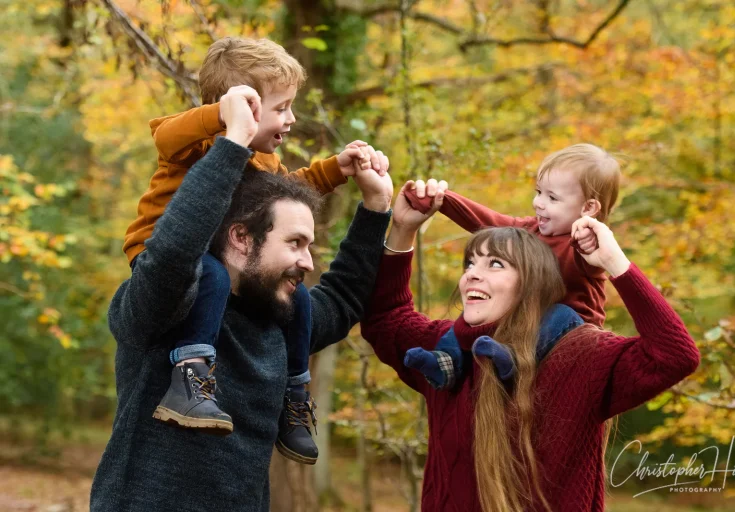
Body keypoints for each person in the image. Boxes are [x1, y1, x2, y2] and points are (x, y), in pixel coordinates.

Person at [90, 88, 393, 511]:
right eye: (295, 243)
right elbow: (173, 255)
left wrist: (377, 207)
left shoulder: (277, 325)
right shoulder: (163, 311)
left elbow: (342, 300)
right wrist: (232, 141)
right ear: (241, 237)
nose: (307, 261)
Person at [361, 179, 700, 512]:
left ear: (533, 285)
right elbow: (385, 320)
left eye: (495, 264)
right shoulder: (446, 356)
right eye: (470, 263)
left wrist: (616, 264)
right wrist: (403, 230)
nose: (472, 275)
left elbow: (675, 356)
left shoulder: (579, 356)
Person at [122, 37, 384, 464]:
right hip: (162, 255)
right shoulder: (197, 141)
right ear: (242, 106)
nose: (291, 118)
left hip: (220, 265)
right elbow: (165, 137)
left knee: (297, 294)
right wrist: (224, 119)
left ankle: (293, 394)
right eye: (281, 108)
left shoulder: (264, 163)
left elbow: (291, 193)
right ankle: (189, 375)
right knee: (213, 276)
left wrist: (337, 171)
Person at [401, 144, 621, 389]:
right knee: (475, 309)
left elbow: (592, 255)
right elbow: (487, 222)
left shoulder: (584, 244)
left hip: (571, 332)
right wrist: (441, 200)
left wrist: (589, 240)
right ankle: (446, 363)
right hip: (524, 318)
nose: (538, 203)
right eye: (538, 192)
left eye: (552, 198)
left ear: (588, 208)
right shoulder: (529, 231)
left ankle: (514, 360)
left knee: (561, 313)